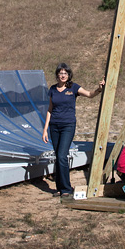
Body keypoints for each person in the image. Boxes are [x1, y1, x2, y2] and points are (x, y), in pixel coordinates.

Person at [42, 63, 104, 198]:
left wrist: (99, 89)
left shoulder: (73, 87)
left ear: (68, 75)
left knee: (62, 155)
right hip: (54, 126)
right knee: (58, 156)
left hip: (67, 126)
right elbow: (50, 110)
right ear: (57, 75)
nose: (63, 75)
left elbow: (89, 94)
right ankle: (60, 188)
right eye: (60, 73)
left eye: (65, 73)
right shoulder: (52, 89)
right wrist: (45, 129)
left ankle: (66, 189)